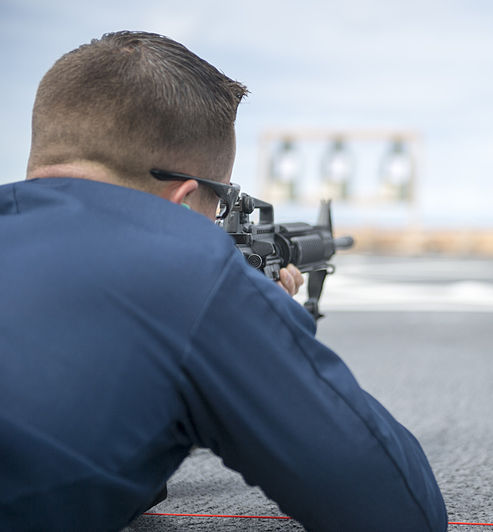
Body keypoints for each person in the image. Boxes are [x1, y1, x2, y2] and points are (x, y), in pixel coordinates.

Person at [0, 31, 447, 531]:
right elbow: (398, 512)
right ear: (185, 197)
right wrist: (263, 326)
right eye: (218, 202)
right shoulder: (191, 271)